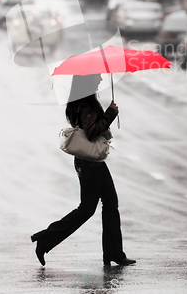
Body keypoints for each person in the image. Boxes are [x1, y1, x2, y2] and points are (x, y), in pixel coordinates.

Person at [31, 74, 136, 268]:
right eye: (96, 77)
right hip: (89, 163)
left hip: (89, 162)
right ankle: (45, 239)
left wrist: (106, 117)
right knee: (87, 209)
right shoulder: (86, 103)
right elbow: (91, 130)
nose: (100, 80)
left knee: (110, 203)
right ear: (86, 81)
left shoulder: (82, 100)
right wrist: (110, 114)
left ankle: (114, 253)